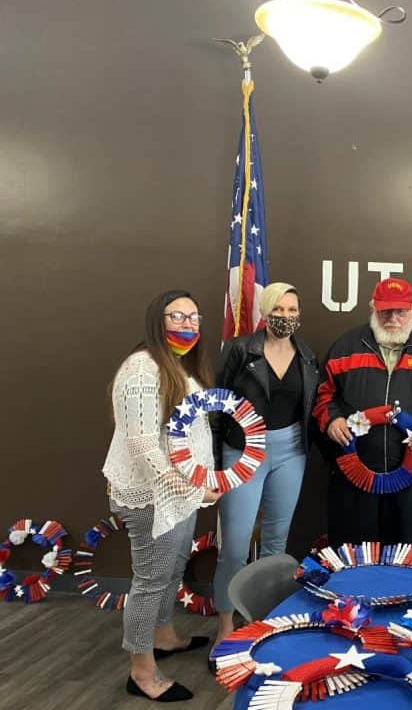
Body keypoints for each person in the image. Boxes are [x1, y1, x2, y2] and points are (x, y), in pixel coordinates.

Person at [102, 290, 221, 703]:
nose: (188, 324)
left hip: (179, 494)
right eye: (177, 316)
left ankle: (164, 634)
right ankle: (141, 670)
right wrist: (188, 486)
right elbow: (142, 445)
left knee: (171, 569)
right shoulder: (140, 368)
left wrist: (199, 481)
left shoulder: (180, 367)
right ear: (158, 320)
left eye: (194, 317)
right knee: (151, 580)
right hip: (151, 496)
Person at [211, 283, 320, 652]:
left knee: (276, 542)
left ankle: (264, 623)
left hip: (291, 451)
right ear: (265, 311)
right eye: (278, 309)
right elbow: (217, 406)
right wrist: (215, 464)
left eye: (292, 310)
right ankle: (226, 625)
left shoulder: (307, 355)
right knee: (235, 546)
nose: (285, 316)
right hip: (243, 451)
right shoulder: (239, 350)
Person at [314, 277, 412, 545]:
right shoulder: (345, 347)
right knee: (357, 553)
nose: (393, 318)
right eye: (385, 311)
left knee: (407, 552)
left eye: (400, 311)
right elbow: (323, 395)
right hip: (356, 476)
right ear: (373, 309)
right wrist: (332, 420)